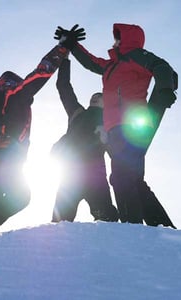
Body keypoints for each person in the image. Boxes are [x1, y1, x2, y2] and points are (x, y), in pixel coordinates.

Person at [54, 24, 177, 227]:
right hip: (114, 131)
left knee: (121, 178)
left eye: (117, 38)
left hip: (130, 124)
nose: (114, 42)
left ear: (127, 39)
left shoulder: (136, 56)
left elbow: (162, 66)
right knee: (132, 179)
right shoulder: (110, 66)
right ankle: (162, 226)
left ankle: (131, 227)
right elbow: (90, 63)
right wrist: (72, 45)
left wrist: (165, 88)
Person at [0, 43, 72, 244]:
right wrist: (62, 49)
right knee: (21, 196)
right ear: (13, 83)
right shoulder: (14, 96)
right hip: (4, 157)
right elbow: (41, 72)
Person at [51, 57, 118, 222]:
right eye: (94, 95)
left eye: (100, 96)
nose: (95, 97)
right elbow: (63, 87)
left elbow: (116, 153)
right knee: (59, 224)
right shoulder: (77, 113)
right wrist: (65, 59)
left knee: (107, 221)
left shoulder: (111, 122)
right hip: (71, 175)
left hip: (96, 178)